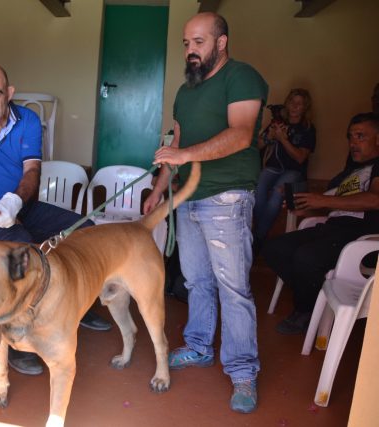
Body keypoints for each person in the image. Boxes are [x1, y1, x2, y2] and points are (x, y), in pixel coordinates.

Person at [0, 62, 111, 376]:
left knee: (86, 230)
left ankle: (77, 305)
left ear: (9, 93)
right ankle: (15, 336)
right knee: (26, 251)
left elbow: (32, 172)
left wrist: (14, 200)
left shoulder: (27, 120)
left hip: (20, 207)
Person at [143, 12, 268, 414]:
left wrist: (183, 155)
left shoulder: (242, 77)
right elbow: (174, 146)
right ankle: (199, 347)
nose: (190, 51)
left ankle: (243, 371)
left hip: (227, 198)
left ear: (221, 42)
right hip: (187, 198)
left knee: (233, 288)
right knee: (196, 280)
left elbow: (242, 133)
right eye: (186, 43)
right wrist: (159, 193)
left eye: (199, 42)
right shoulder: (185, 91)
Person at [263, 112, 379, 335]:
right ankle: (317, 298)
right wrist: (305, 206)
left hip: (359, 235)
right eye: (350, 137)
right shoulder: (348, 172)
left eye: (360, 136)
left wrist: (323, 200)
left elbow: (375, 199)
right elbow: (332, 202)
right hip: (331, 227)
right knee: (275, 248)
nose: (353, 143)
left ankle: (306, 311)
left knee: (307, 256)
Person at [253, 89, 316, 251]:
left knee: (277, 192)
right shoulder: (278, 122)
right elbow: (258, 145)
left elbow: (300, 158)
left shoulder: (308, 128)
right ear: (286, 104)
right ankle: (260, 235)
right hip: (273, 169)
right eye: (292, 102)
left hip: (295, 173)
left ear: (305, 107)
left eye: (299, 104)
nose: (294, 106)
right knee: (258, 185)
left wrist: (283, 139)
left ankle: (258, 237)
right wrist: (270, 137)